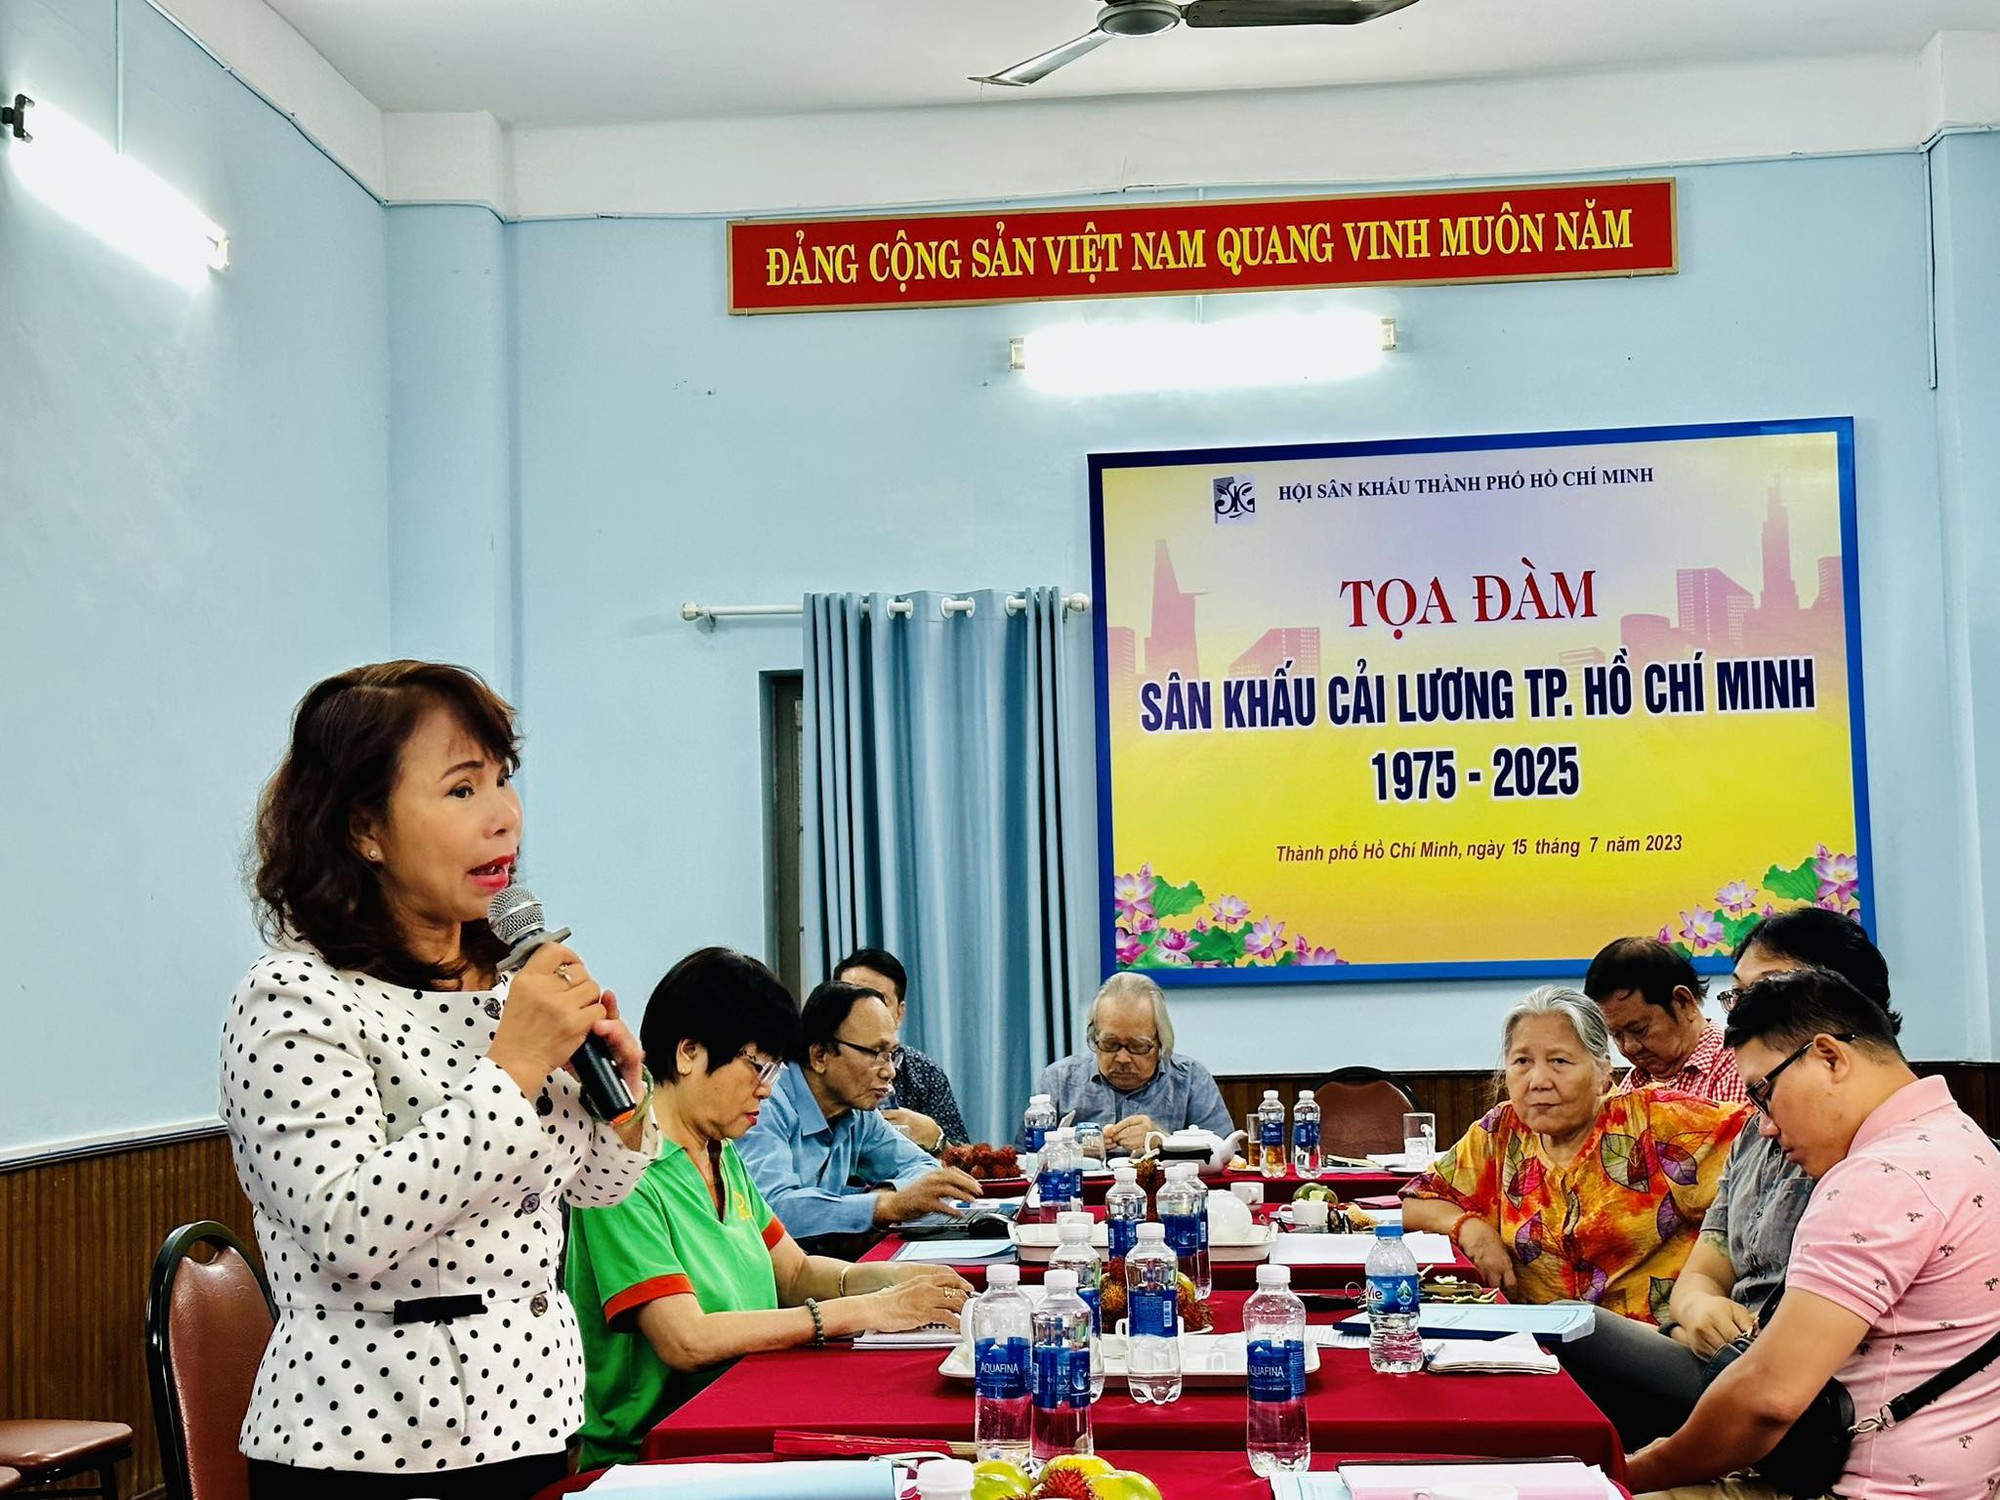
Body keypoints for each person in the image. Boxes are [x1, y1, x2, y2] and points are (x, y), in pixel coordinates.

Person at [220, 662, 659, 1500]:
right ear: (364, 830)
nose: (504, 816)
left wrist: (623, 1099)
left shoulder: (504, 988)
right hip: (373, 1444)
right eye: (462, 790)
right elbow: (349, 1230)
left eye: (503, 780)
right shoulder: (292, 998)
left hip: (533, 1416)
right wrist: (516, 1067)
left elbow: (593, 1189)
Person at [565, 949, 973, 1468]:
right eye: (756, 1066)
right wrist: (867, 1311)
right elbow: (686, 1339)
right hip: (660, 1451)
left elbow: (794, 1271)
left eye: (775, 1070)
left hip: (744, 1405)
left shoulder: (720, 1151)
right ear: (688, 1052)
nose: (766, 1088)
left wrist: (899, 1280)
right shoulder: (623, 1170)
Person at [1628, 967, 2000, 1498]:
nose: (1766, 1126)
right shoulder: (1966, 1139)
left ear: (1829, 1057)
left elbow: (1769, 1397)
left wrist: (1634, 1473)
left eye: (1763, 1095)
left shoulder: (1878, 1176)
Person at [1560, 909, 1900, 1450]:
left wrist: (1644, 1471)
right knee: (1560, 1334)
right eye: (1736, 996)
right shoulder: (1753, 1133)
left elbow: (1783, 1388)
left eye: (1763, 994)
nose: (1741, 1016)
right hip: (1716, 1356)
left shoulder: (1881, 1159)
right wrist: (1697, 1311)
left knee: (1571, 1338)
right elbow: (1700, 1274)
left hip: (1795, 1405)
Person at [1402, 986, 1747, 1321]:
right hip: (1532, 1347)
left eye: (1560, 1061)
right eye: (1522, 1060)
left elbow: (1761, 1148)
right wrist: (1469, 1227)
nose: (1538, 1080)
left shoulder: (1657, 1121)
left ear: (1602, 1071)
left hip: (1650, 1348)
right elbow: (1417, 1202)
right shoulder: (1501, 1131)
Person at [737, 980, 983, 1250]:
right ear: (820, 1055)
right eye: (876, 1053)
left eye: (892, 1055)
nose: (889, 1071)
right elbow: (771, 1210)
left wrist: (888, 1195)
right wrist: (882, 1206)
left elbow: (926, 1170)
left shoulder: (857, 1112)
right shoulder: (766, 1103)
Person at [1035, 972, 1234, 1155]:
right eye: (1110, 1044)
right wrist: (1071, 1151)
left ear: (1161, 1043)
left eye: (1138, 1046)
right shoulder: (1058, 1081)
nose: (1122, 1058)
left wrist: (1162, 1143)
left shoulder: (1191, 1079)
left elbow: (1226, 1155)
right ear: (1093, 1038)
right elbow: (1027, 1163)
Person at [834, 946, 969, 1149]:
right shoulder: (813, 1070)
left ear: (899, 1013)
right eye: (849, 1000)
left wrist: (935, 1137)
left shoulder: (924, 1072)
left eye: (878, 1000)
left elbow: (968, 1164)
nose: (862, 1011)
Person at [1586, 936, 1747, 1104]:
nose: (1629, 1047)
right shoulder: (1632, 1086)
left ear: (1683, 1002)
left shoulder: (1738, 1071)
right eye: (1616, 1035)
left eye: (1639, 1030)